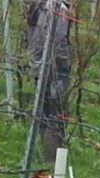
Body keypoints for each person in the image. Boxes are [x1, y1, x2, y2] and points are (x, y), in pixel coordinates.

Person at [26, 0, 74, 163]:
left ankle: (42, 153)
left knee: (43, 110)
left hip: (38, 65)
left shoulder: (38, 4)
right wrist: (65, 64)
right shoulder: (58, 8)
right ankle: (53, 159)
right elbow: (58, 41)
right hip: (54, 68)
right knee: (56, 114)